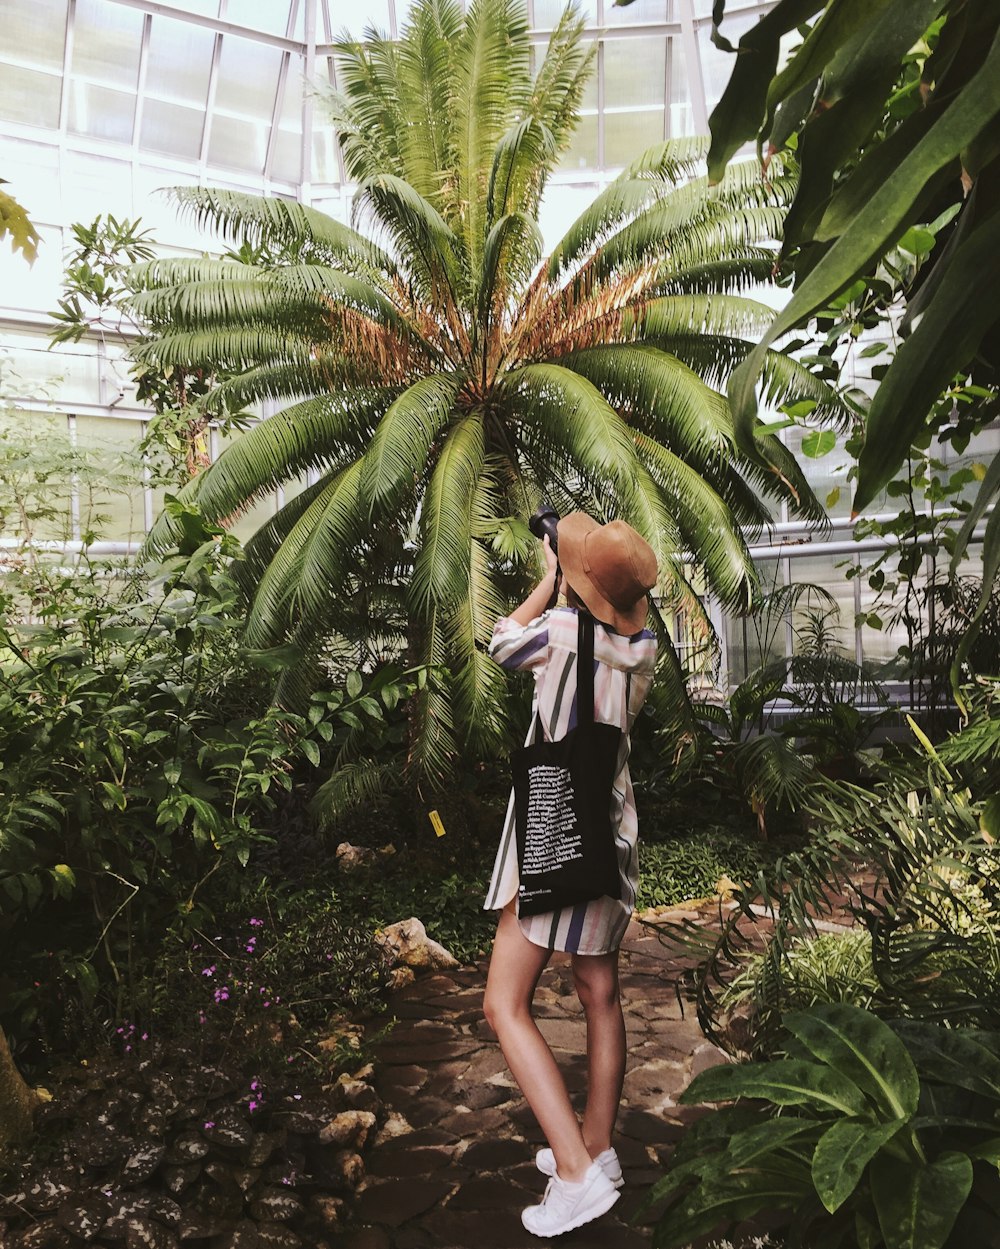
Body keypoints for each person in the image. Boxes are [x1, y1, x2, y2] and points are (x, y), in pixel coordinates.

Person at [481, 512, 658, 1238]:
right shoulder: (641, 647)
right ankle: (599, 1149)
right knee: (599, 991)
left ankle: (577, 1173)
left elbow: (498, 639)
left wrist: (547, 580)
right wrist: (574, 583)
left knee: (503, 1004)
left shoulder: (555, 637)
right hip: (610, 836)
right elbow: (609, 632)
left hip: (553, 828)